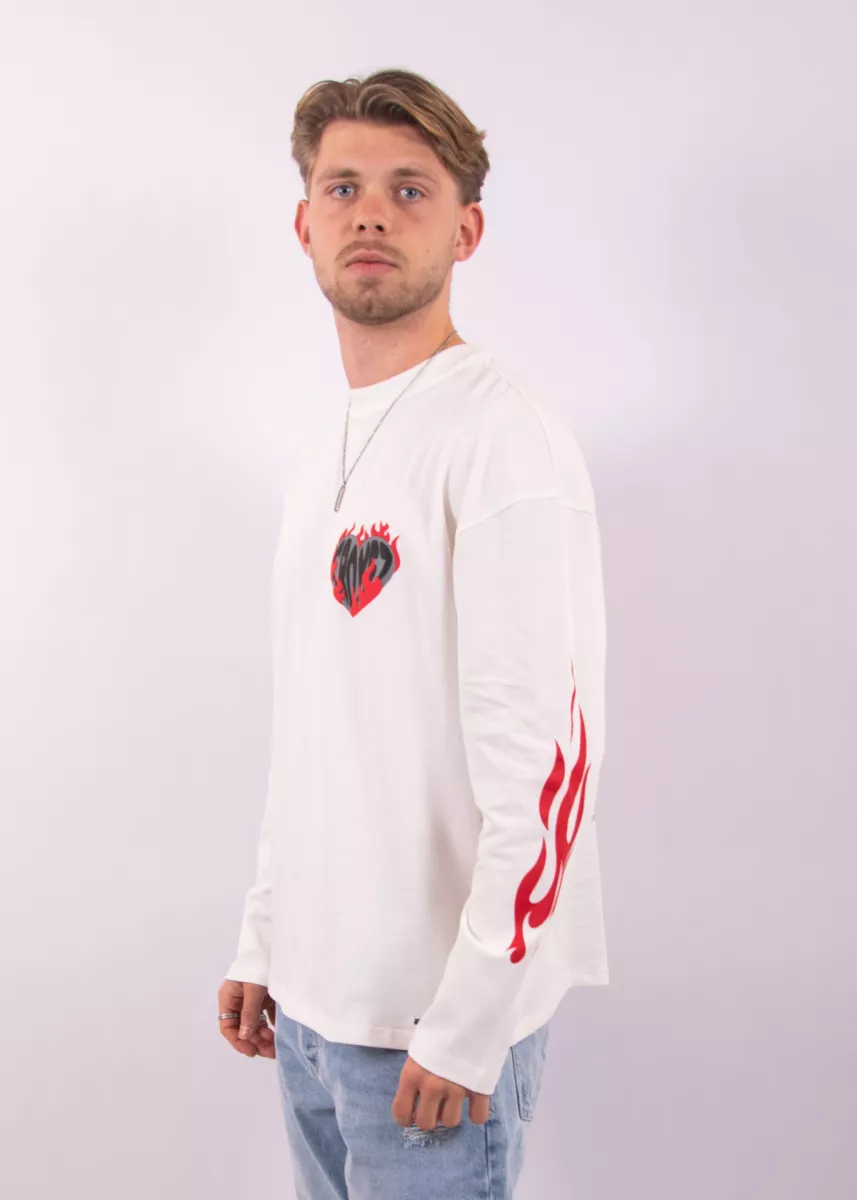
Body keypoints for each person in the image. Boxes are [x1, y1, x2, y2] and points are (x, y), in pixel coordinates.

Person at [217, 67, 609, 1199]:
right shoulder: (317, 457)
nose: (371, 214)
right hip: (310, 1016)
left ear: (465, 230)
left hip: (429, 1038)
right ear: (304, 224)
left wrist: (472, 1017)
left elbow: (548, 763)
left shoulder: (500, 438)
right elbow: (315, 730)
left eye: (409, 189)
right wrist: (265, 940)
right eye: (342, 188)